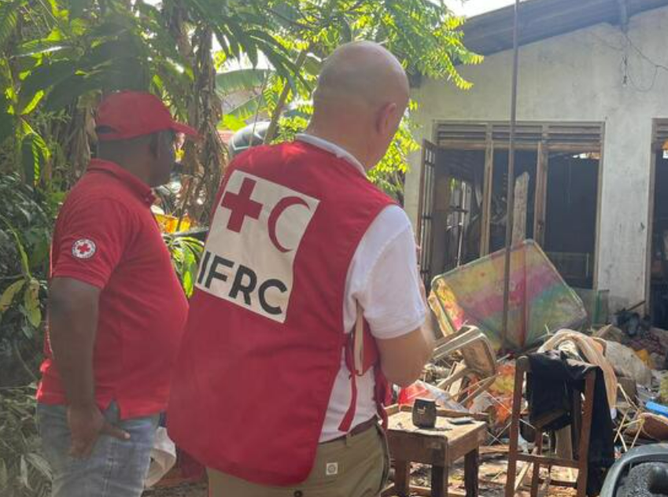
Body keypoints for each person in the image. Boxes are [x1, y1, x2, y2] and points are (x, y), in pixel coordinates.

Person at [167, 41, 434, 497]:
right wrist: (421, 310)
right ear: (387, 117)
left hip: (224, 430)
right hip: (315, 458)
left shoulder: (245, 172)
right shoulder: (375, 219)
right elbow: (407, 366)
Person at [36, 91, 197, 497]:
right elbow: (71, 298)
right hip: (107, 410)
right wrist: (82, 406)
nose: (176, 151)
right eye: (175, 142)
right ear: (154, 142)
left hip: (117, 405)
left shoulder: (118, 197)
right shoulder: (104, 201)